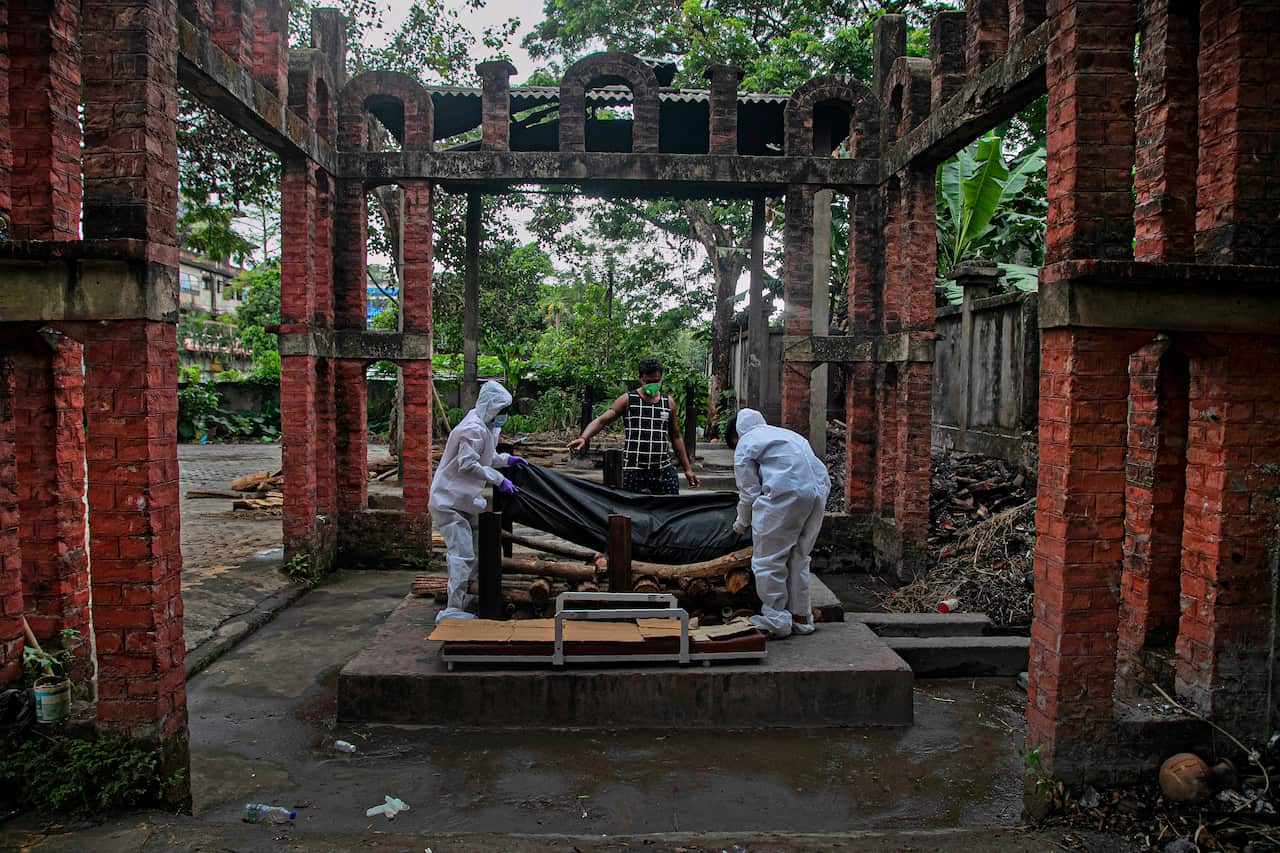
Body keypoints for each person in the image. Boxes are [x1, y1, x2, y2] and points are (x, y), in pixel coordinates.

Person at [429, 380, 527, 623]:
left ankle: (466, 600)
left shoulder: (486, 426)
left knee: (474, 551)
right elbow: (468, 463)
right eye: (501, 411)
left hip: (464, 500)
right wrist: (498, 479)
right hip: (448, 500)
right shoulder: (472, 428)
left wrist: (507, 460)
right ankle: (453, 608)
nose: (503, 416)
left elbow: (488, 456)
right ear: (490, 407)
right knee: (460, 554)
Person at [726, 408, 829, 639]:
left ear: (736, 436)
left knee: (768, 560)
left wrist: (741, 524)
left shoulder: (746, 443)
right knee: (799, 557)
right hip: (818, 490)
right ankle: (801, 618)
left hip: (787, 492)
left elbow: (749, 493)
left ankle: (776, 619)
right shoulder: (786, 434)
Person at [567, 358, 700, 494]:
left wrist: (687, 469)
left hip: (662, 470)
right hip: (634, 470)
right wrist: (584, 437)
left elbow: (676, 436)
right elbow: (601, 420)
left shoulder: (668, 402)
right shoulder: (628, 399)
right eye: (649, 382)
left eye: (657, 381)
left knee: (669, 509)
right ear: (641, 379)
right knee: (631, 510)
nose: (653, 385)